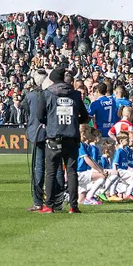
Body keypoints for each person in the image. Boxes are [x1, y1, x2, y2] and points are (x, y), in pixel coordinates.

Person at [41, 69, 89, 213]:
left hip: (54, 136)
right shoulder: (75, 94)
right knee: (72, 172)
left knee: (51, 172)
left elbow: (39, 116)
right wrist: (74, 121)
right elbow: (85, 117)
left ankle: (49, 205)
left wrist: (50, 123)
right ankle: (73, 206)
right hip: (71, 137)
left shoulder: (48, 94)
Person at [23, 71, 50, 211]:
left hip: (36, 132)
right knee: (53, 167)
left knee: (38, 167)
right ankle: (53, 200)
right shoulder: (50, 94)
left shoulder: (30, 95)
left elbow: (25, 109)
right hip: (51, 132)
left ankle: (38, 201)